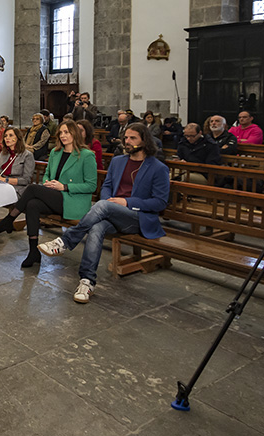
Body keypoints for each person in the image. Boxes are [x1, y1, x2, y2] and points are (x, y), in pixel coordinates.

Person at [38, 123, 170, 304]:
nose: (127, 142)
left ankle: (66, 241)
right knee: (97, 227)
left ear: (144, 140)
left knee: (102, 207)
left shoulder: (158, 168)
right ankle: (87, 281)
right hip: (110, 211)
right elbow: (106, 186)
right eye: (126, 138)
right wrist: (108, 201)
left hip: (137, 218)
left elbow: (160, 203)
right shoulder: (118, 162)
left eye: (133, 138)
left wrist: (126, 202)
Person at [0, 120, 97, 268]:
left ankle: (9, 219)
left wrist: (64, 186)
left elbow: (91, 186)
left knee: (32, 189)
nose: (63, 135)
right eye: (61, 133)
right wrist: (47, 183)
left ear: (75, 134)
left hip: (72, 200)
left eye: (67, 132)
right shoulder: (55, 152)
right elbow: (47, 174)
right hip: (54, 195)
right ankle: (33, 252)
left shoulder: (86, 155)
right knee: (32, 205)